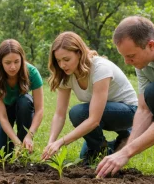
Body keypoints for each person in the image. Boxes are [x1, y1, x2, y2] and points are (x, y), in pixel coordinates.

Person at [96, 16, 154, 179]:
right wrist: (127, 152)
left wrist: (126, 152)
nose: (126, 62)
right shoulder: (143, 61)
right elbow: (144, 109)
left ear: (151, 45)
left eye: (131, 56)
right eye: (124, 56)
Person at [41, 32, 137, 166]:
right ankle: (119, 142)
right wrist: (51, 142)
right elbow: (59, 114)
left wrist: (61, 142)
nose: (62, 65)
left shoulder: (100, 68)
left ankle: (120, 137)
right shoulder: (66, 74)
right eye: (58, 61)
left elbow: (93, 120)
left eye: (66, 59)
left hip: (130, 112)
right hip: (105, 111)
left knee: (79, 113)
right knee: (86, 157)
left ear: (79, 53)